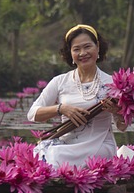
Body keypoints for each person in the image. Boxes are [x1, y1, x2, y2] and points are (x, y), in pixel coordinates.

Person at [27, 24, 128, 168]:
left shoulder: (113, 83)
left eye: (87, 47)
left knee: (79, 159)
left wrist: (117, 111)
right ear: (70, 53)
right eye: (76, 49)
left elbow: (122, 127)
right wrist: (61, 109)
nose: (83, 53)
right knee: (53, 154)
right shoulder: (60, 82)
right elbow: (32, 114)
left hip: (99, 146)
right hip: (66, 146)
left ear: (97, 47)